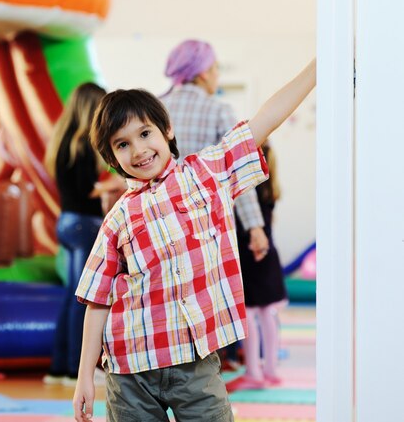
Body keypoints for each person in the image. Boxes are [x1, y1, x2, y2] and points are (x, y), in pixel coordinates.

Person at [72, 59, 316, 421]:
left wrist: (316, 68)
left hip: (195, 362)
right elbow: (97, 301)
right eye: (122, 145)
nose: (138, 150)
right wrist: (84, 379)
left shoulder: (206, 174)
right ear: (112, 158)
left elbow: (263, 121)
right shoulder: (117, 218)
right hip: (130, 370)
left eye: (145, 134)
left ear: (167, 129)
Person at [160, 39, 270, 370]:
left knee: (168, 295)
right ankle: (208, 367)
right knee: (208, 298)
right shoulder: (218, 109)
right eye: (217, 68)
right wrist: (255, 225)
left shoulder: (155, 105)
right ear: (205, 72)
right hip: (208, 223)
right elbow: (236, 168)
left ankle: (168, 364)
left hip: (162, 220)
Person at [43, 82, 124, 386]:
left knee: (70, 298)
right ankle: (78, 370)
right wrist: (114, 184)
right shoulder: (81, 144)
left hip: (66, 222)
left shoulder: (61, 140)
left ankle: (58, 367)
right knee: (85, 300)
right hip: (82, 224)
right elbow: (86, 190)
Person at [230, 141, 288, 390]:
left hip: (251, 254)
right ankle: (270, 370)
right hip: (267, 256)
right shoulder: (270, 187)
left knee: (249, 314)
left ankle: (254, 371)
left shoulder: (250, 186)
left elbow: (246, 225)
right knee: (267, 314)